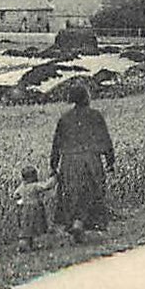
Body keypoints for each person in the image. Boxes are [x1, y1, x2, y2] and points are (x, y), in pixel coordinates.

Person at [50, 82, 115, 243]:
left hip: (69, 161)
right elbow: (105, 139)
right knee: (91, 193)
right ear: (86, 97)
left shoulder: (64, 118)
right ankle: (80, 224)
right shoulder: (95, 115)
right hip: (91, 159)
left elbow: (56, 143)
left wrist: (53, 165)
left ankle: (75, 223)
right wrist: (110, 161)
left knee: (72, 195)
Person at [13, 165, 57, 251]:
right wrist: (54, 178)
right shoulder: (34, 186)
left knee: (26, 227)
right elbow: (46, 186)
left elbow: (15, 195)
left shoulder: (21, 187)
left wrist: (20, 202)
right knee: (35, 226)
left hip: (23, 210)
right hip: (35, 209)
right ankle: (28, 245)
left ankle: (24, 244)